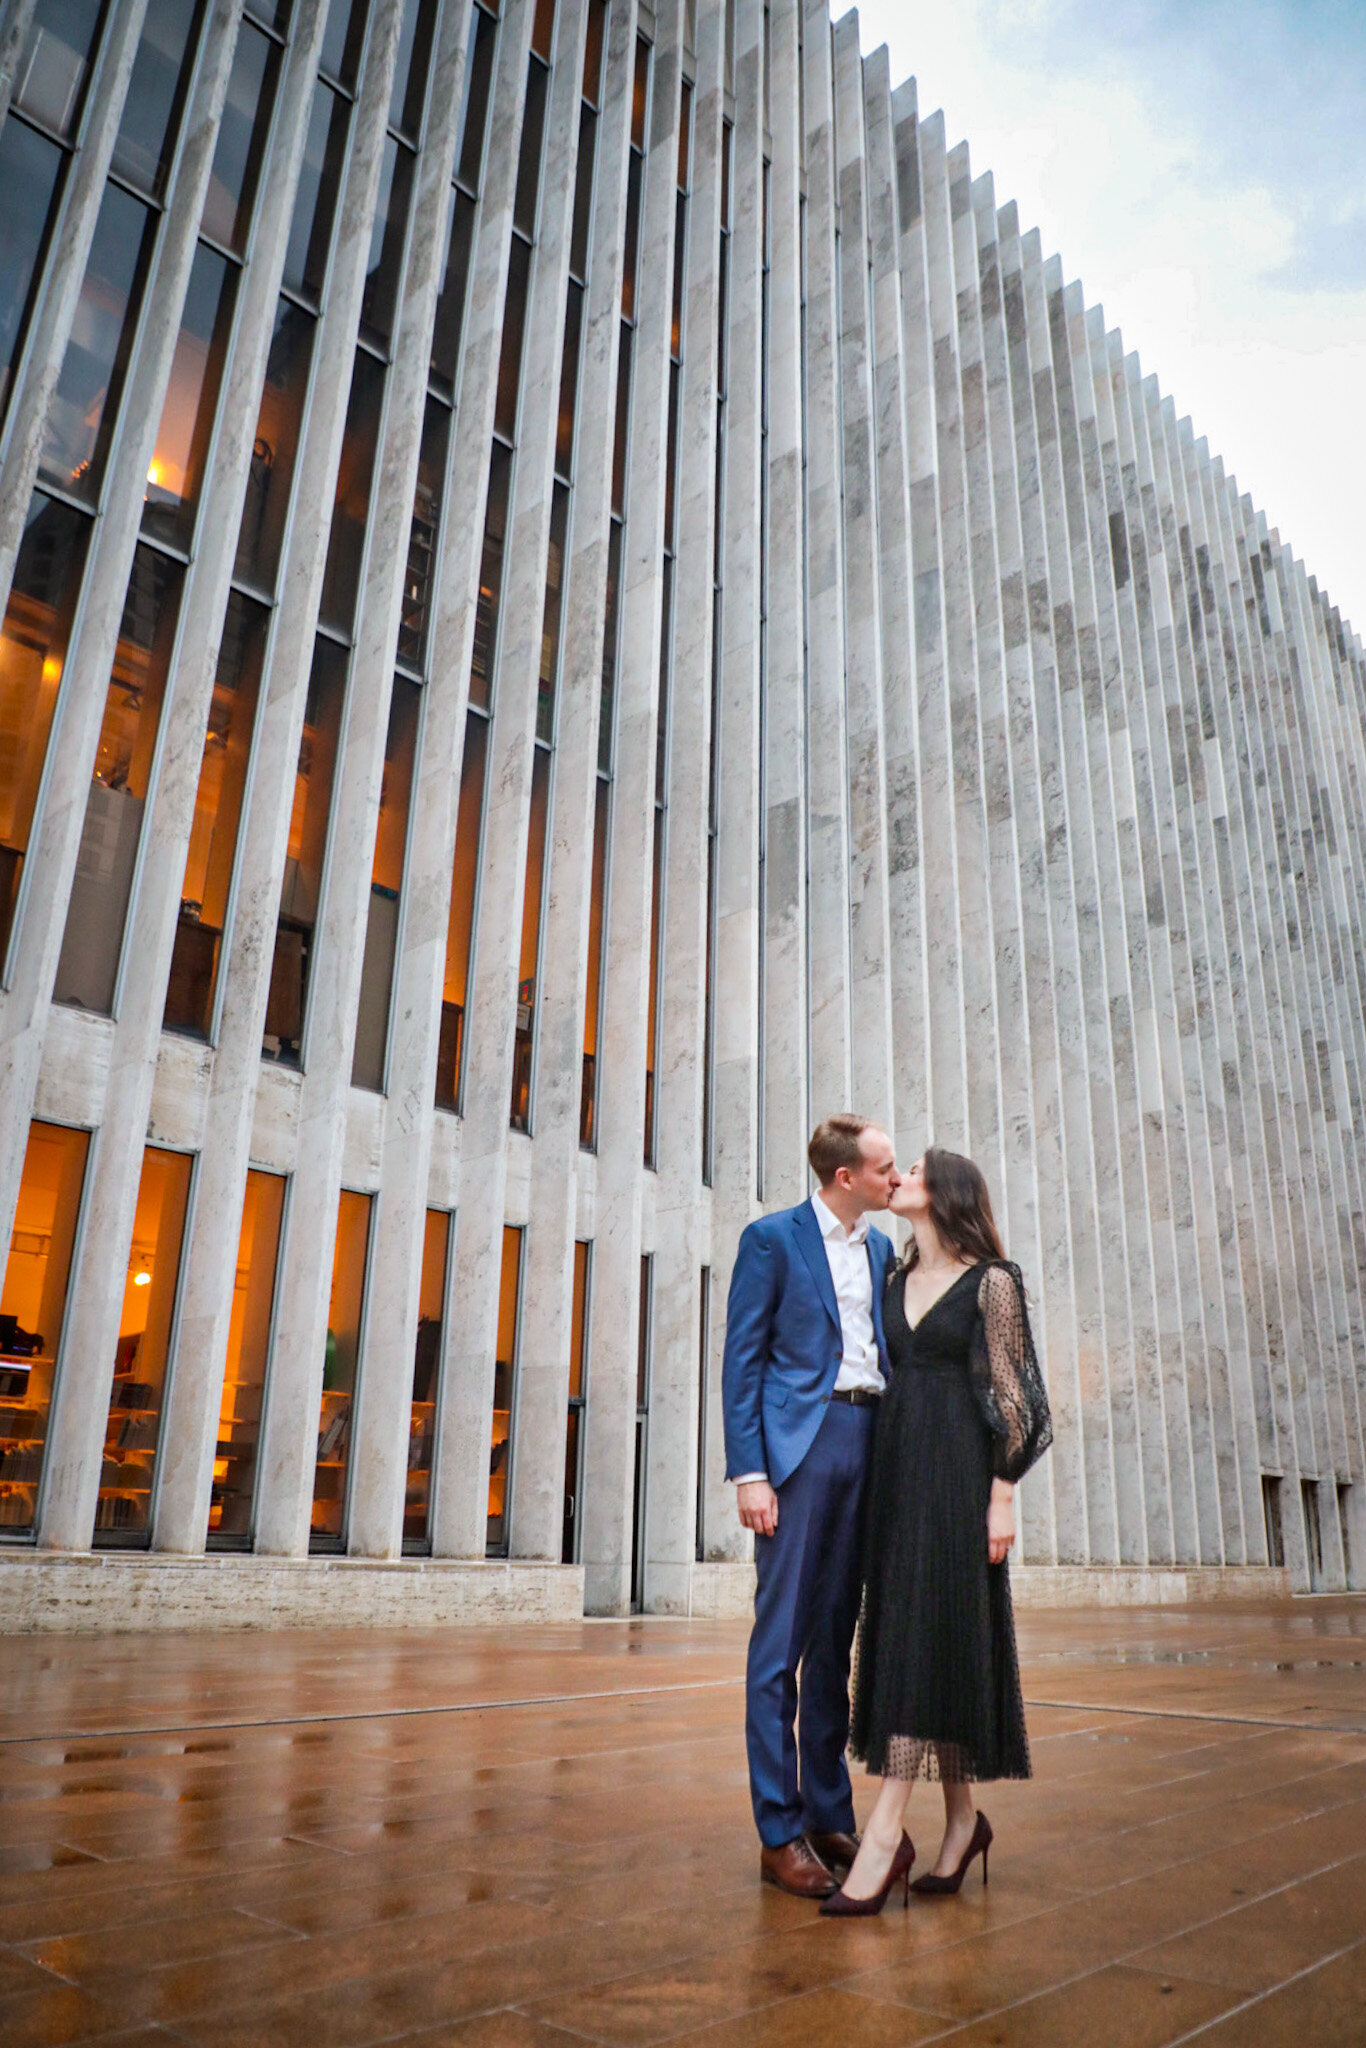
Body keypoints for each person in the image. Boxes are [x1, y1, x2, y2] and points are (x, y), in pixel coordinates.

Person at [822, 1146, 1053, 1917]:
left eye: (912, 1173)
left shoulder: (993, 1282)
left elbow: (1021, 1402)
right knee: (921, 1632)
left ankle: (884, 1832)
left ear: (944, 1193)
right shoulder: (893, 1275)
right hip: (897, 1474)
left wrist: (1002, 1496)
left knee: (934, 1631)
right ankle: (962, 1823)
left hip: (959, 1480)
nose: (899, 1181)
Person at [722, 1114, 899, 1897]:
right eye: (885, 1169)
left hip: (870, 1439)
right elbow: (743, 1363)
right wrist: (749, 1472)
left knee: (837, 1639)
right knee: (781, 1646)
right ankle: (779, 1830)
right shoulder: (772, 1241)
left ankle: (830, 1812)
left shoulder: (884, 1247)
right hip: (800, 1448)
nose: (895, 1180)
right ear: (844, 1178)